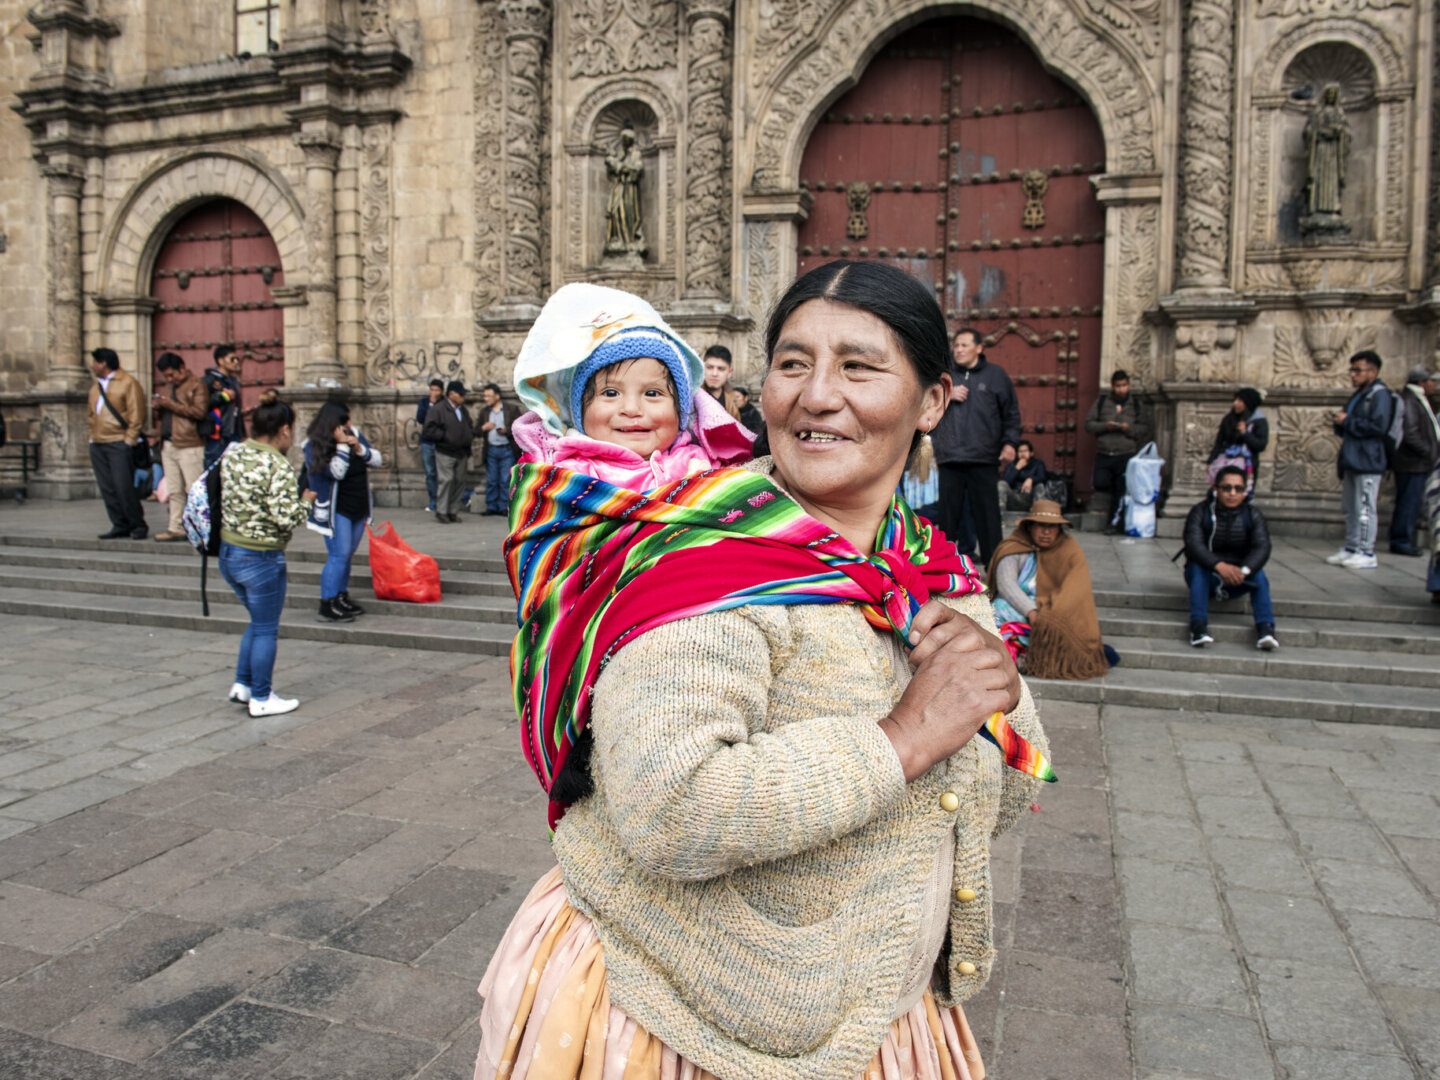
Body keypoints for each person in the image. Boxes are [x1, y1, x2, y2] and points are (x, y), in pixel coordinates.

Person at [478, 259, 1050, 1080]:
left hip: (874, 1017)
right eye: (791, 363)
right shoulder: (702, 559)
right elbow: (669, 806)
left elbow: (1002, 793)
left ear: (932, 401)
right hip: (682, 1019)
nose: (817, 395)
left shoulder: (926, 567)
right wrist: (902, 736)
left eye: (858, 365)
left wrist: (992, 683)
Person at [510, 284, 753, 494]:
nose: (632, 409)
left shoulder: (699, 466)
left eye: (652, 393)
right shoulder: (563, 473)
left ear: (681, 410)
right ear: (578, 412)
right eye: (611, 393)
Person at [218, 391, 316, 717]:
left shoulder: (234, 453)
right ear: (284, 430)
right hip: (260, 558)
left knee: (257, 622)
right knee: (265, 628)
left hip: (229, 551)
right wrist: (306, 501)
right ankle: (261, 697)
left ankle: (243, 684)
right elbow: (287, 517)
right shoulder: (278, 465)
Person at [987, 500, 1114, 679]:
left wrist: (1051, 616)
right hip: (1020, 610)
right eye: (1040, 526)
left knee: (1068, 625)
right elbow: (1006, 585)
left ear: (1059, 529)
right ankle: (1017, 657)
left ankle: (1036, 657)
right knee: (996, 611)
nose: (1046, 532)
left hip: (1052, 609)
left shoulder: (1070, 550)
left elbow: (1076, 589)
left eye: (1052, 527)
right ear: (1030, 526)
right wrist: (1031, 612)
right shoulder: (1013, 548)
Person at [932, 327, 1022, 566]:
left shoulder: (996, 375)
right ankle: (945, 572)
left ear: (979, 348)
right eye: (956, 345)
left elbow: (1011, 413)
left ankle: (996, 571)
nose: (958, 350)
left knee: (988, 519)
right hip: (950, 457)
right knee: (948, 521)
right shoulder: (944, 376)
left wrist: (1010, 443)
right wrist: (947, 396)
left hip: (983, 457)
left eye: (964, 345)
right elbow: (923, 404)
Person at [1183, 465, 1277, 649]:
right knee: (1197, 568)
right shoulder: (1200, 512)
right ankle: (1198, 627)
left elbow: (1262, 546)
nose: (1232, 493)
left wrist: (1244, 570)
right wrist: (1218, 565)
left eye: (1238, 489)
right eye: (1226, 488)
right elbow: (1193, 545)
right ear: (1216, 489)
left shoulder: (1253, 514)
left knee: (1259, 575)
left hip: (1239, 577)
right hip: (1208, 575)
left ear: (1244, 492)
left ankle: (1266, 629)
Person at [304, 401, 382, 622]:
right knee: (339, 555)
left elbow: (377, 460)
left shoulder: (354, 434)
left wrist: (359, 448)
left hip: (358, 504)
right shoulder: (314, 445)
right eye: (344, 421)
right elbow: (336, 472)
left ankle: (340, 596)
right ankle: (326, 604)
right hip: (335, 508)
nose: (349, 424)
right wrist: (341, 447)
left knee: (347, 555)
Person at [1326, 349, 1393, 569]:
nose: (1353, 375)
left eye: (1358, 370)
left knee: (1365, 507)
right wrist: (1340, 421)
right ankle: (1352, 546)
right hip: (1353, 458)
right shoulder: (1360, 394)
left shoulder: (1379, 394)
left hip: (1368, 460)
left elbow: (1378, 427)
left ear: (1372, 372)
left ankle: (1367, 551)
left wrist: (1348, 421)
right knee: (1350, 506)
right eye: (1352, 370)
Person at [87, 347, 148, 540]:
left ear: (103, 363)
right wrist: (91, 437)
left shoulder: (128, 382)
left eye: (94, 362)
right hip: (98, 442)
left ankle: (137, 524)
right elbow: (91, 415)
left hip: (118, 442)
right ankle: (119, 524)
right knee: (107, 487)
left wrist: (129, 441)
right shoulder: (95, 387)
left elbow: (136, 413)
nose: (92, 366)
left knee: (123, 486)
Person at [150, 352, 210, 542]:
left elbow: (199, 412)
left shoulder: (197, 385)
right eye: (166, 376)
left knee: (194, 489)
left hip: (189, 444)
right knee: (174, 490)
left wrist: (171, 404)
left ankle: (199, 528)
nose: (169, 379)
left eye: (171, 375)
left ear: (181, 369)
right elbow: (166, 414)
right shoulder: (169, 388)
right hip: (169, 443)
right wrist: (159, 407)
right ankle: (176, 527)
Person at [1084, 369, 1153, 530]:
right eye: (1117, 386)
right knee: (1100, 482)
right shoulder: (1101, 402)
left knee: (1120, 489)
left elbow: (1144, 429)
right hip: (1105, 453)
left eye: (1123, 386)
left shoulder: (1136, 405)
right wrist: (1105, 426)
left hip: (1125, 454)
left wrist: (1127, 429)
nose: (1120, 389)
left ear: (1128, 385)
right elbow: (1089, 424)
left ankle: (1113, 523)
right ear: (1112, 386)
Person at [1389, 366, 1439, 556]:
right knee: (1408, 502)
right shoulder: (1410, 400)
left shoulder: (1418, 400)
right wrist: (1428, 451)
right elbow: (1410, 433)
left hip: (1416, 462)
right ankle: (1401, 540)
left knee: (1411, 501)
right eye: (1431, 381)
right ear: (1422, 382)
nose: (1434, 385)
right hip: (1412, 462)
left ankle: (1403, 538)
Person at [424, 380, 474, 523]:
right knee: (446, 480)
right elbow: (429, 429)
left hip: (461, 451)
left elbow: (468, 424)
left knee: (459, 481)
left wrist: (468, 435)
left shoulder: (462, 409)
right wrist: (445, 436)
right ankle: (442, 510)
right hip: (445, 451)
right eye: (461, 394)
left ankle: (453, 510)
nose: (463, 397)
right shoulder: (439, 409)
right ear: (451, 394)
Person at [1206, 386, 1269, 494]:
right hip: (1224, 465)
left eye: (1240, 400)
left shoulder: (1259, 422)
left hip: (1246, 468)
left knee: (1240, 494)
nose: (1235, 403)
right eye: (1235, 400)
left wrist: (1245, 433)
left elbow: (1260, 445)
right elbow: (1219, 442)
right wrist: (1210, 461)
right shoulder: (1229, 419)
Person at [478, 383, 521, 516]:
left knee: (505, 479)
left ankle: (503, 506)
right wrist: (483, 428)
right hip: (491, 449)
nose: (486, 399)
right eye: (485, 396)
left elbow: (519, 427)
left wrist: (506, 431)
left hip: (507, 449)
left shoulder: (511, 409)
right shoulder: (485, 412)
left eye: (489, 396)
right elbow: (475, 430)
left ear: (497, 396)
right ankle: (491, 506)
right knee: (492, 479)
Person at [202, 344, 247, 469]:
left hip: (233, 433)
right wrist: (222, 397)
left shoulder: (233, 382)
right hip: (217, 435)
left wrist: (242, 432)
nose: (236, 362)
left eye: (237, 359)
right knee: (214, 472)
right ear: (220, 361)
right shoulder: (209, 381)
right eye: (232, 359)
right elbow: (202, 405)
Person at [417, 377, 444, 512]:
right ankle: (433, 500)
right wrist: (431, 406)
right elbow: (421, 419)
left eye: (437, 390)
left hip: (441, 443)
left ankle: (443, 500)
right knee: (430, 473)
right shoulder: (424, 402)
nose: (434, 392)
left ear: (442, 391)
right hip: (427, 442)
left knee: (443, 473)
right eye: (432, 390)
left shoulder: (445, 403)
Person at [999, 439, 1048, 511]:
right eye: (1020, 451)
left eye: (1025, 451)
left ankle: (1038, 514)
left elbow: (1042, 477)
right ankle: (1001, 515)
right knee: (1001, 484)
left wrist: (1031, 479)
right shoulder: (1011, 466)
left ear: (1031, 453)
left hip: (1029, 496)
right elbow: (1006, 481)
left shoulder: (1038, 464)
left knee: (1039, 486)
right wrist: (1017, 468)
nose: (1022, 454)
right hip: (1014, 497)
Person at [699, 343, 743, 421]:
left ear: (729, 372)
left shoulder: (732, 404)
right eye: (709, 367)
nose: (714, 374)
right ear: (702, 368)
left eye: (721, 369)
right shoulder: (692, 398)